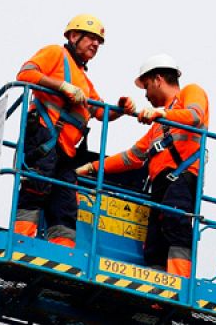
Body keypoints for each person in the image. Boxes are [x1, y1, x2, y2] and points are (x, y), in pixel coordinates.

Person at [77, 54, 209, 278]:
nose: (146, 95)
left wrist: (162, 114)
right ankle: (158, 289)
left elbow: (196, 116)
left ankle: (179, 282)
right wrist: (91, 167)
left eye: (146, 86)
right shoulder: (157, 128)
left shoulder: (190, 92)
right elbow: (132, 157)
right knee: (155, 240)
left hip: (183, 177)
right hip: (160, 185)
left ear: (158, 79)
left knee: (175, 223)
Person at [12, 14, 132, 247]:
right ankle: (20, 245)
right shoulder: (55, 54)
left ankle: (63, 255)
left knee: (65, 206)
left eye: (99, 41)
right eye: (91, 38)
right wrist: (61, 85)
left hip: (66, 152)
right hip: (43, 137)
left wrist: (122, 108)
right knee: (36, 190)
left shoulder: (85, 81)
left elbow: (101, 113)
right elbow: (25, 73)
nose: (96, 44)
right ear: (74, 36)